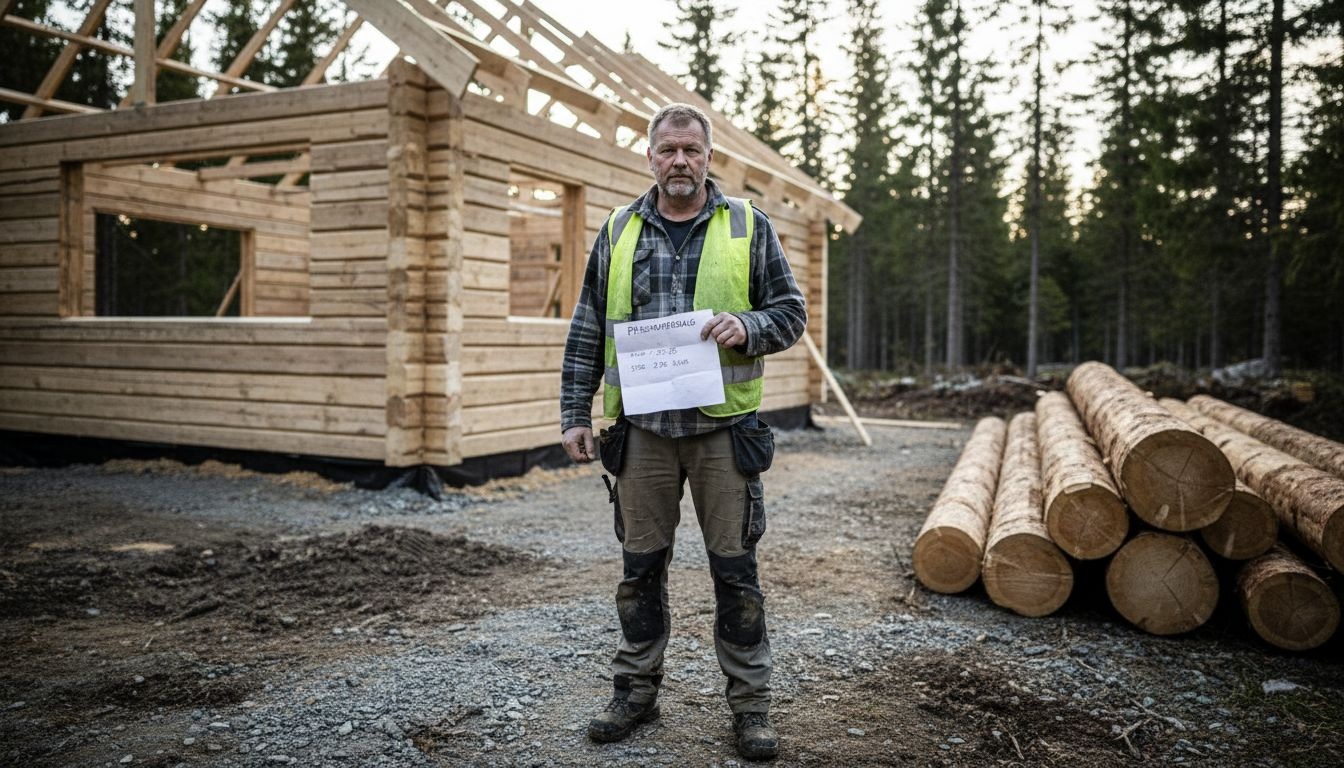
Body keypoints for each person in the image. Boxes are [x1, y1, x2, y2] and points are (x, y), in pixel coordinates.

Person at [559, 102, 806, 762]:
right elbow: (587, 328)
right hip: (641, 436)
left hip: (723, 433)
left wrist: (748, 327)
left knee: (736, 573)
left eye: (691, 151)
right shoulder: (617, 231)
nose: (679, 162)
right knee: (640, 571)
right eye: (667, 150)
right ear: (650, 157)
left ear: (708, 158)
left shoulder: (748, 226)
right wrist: (574, 414)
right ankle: (635, 693)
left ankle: (750, 707)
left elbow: (791, 312)